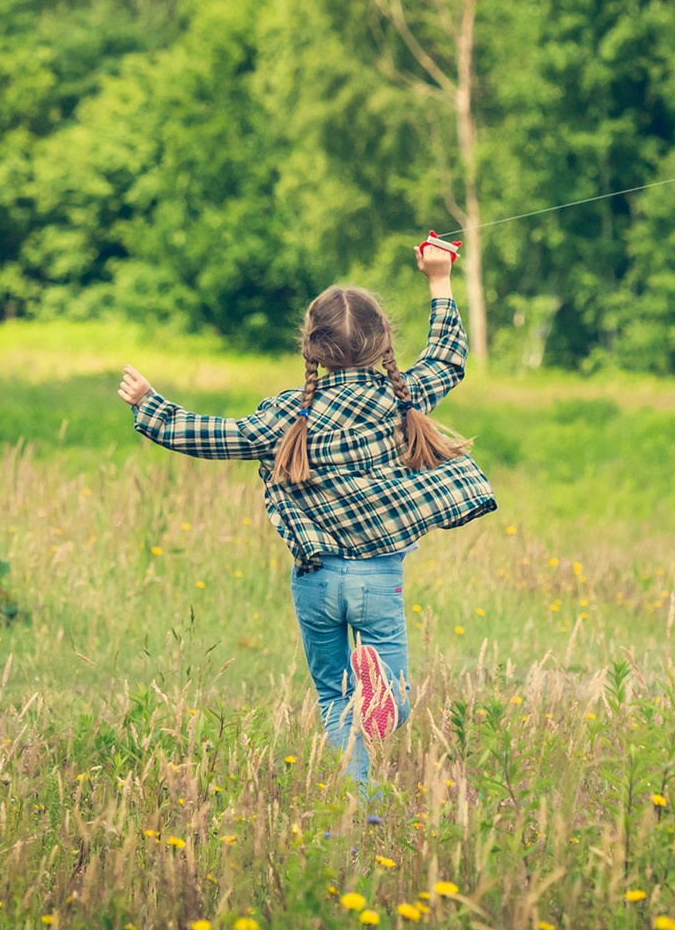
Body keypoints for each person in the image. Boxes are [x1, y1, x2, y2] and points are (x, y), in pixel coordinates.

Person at [117, 235, 494, 782]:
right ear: (383, 340)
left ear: (310, 347)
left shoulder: (286, 416)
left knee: (334, 698)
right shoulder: (401, 398)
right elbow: (447, 359)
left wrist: (152, 405)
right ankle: (386, 696)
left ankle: (360, 809)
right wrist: (439, 280)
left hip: (314, 581)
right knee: (390, 697)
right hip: (378, 577)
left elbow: (215, 436)